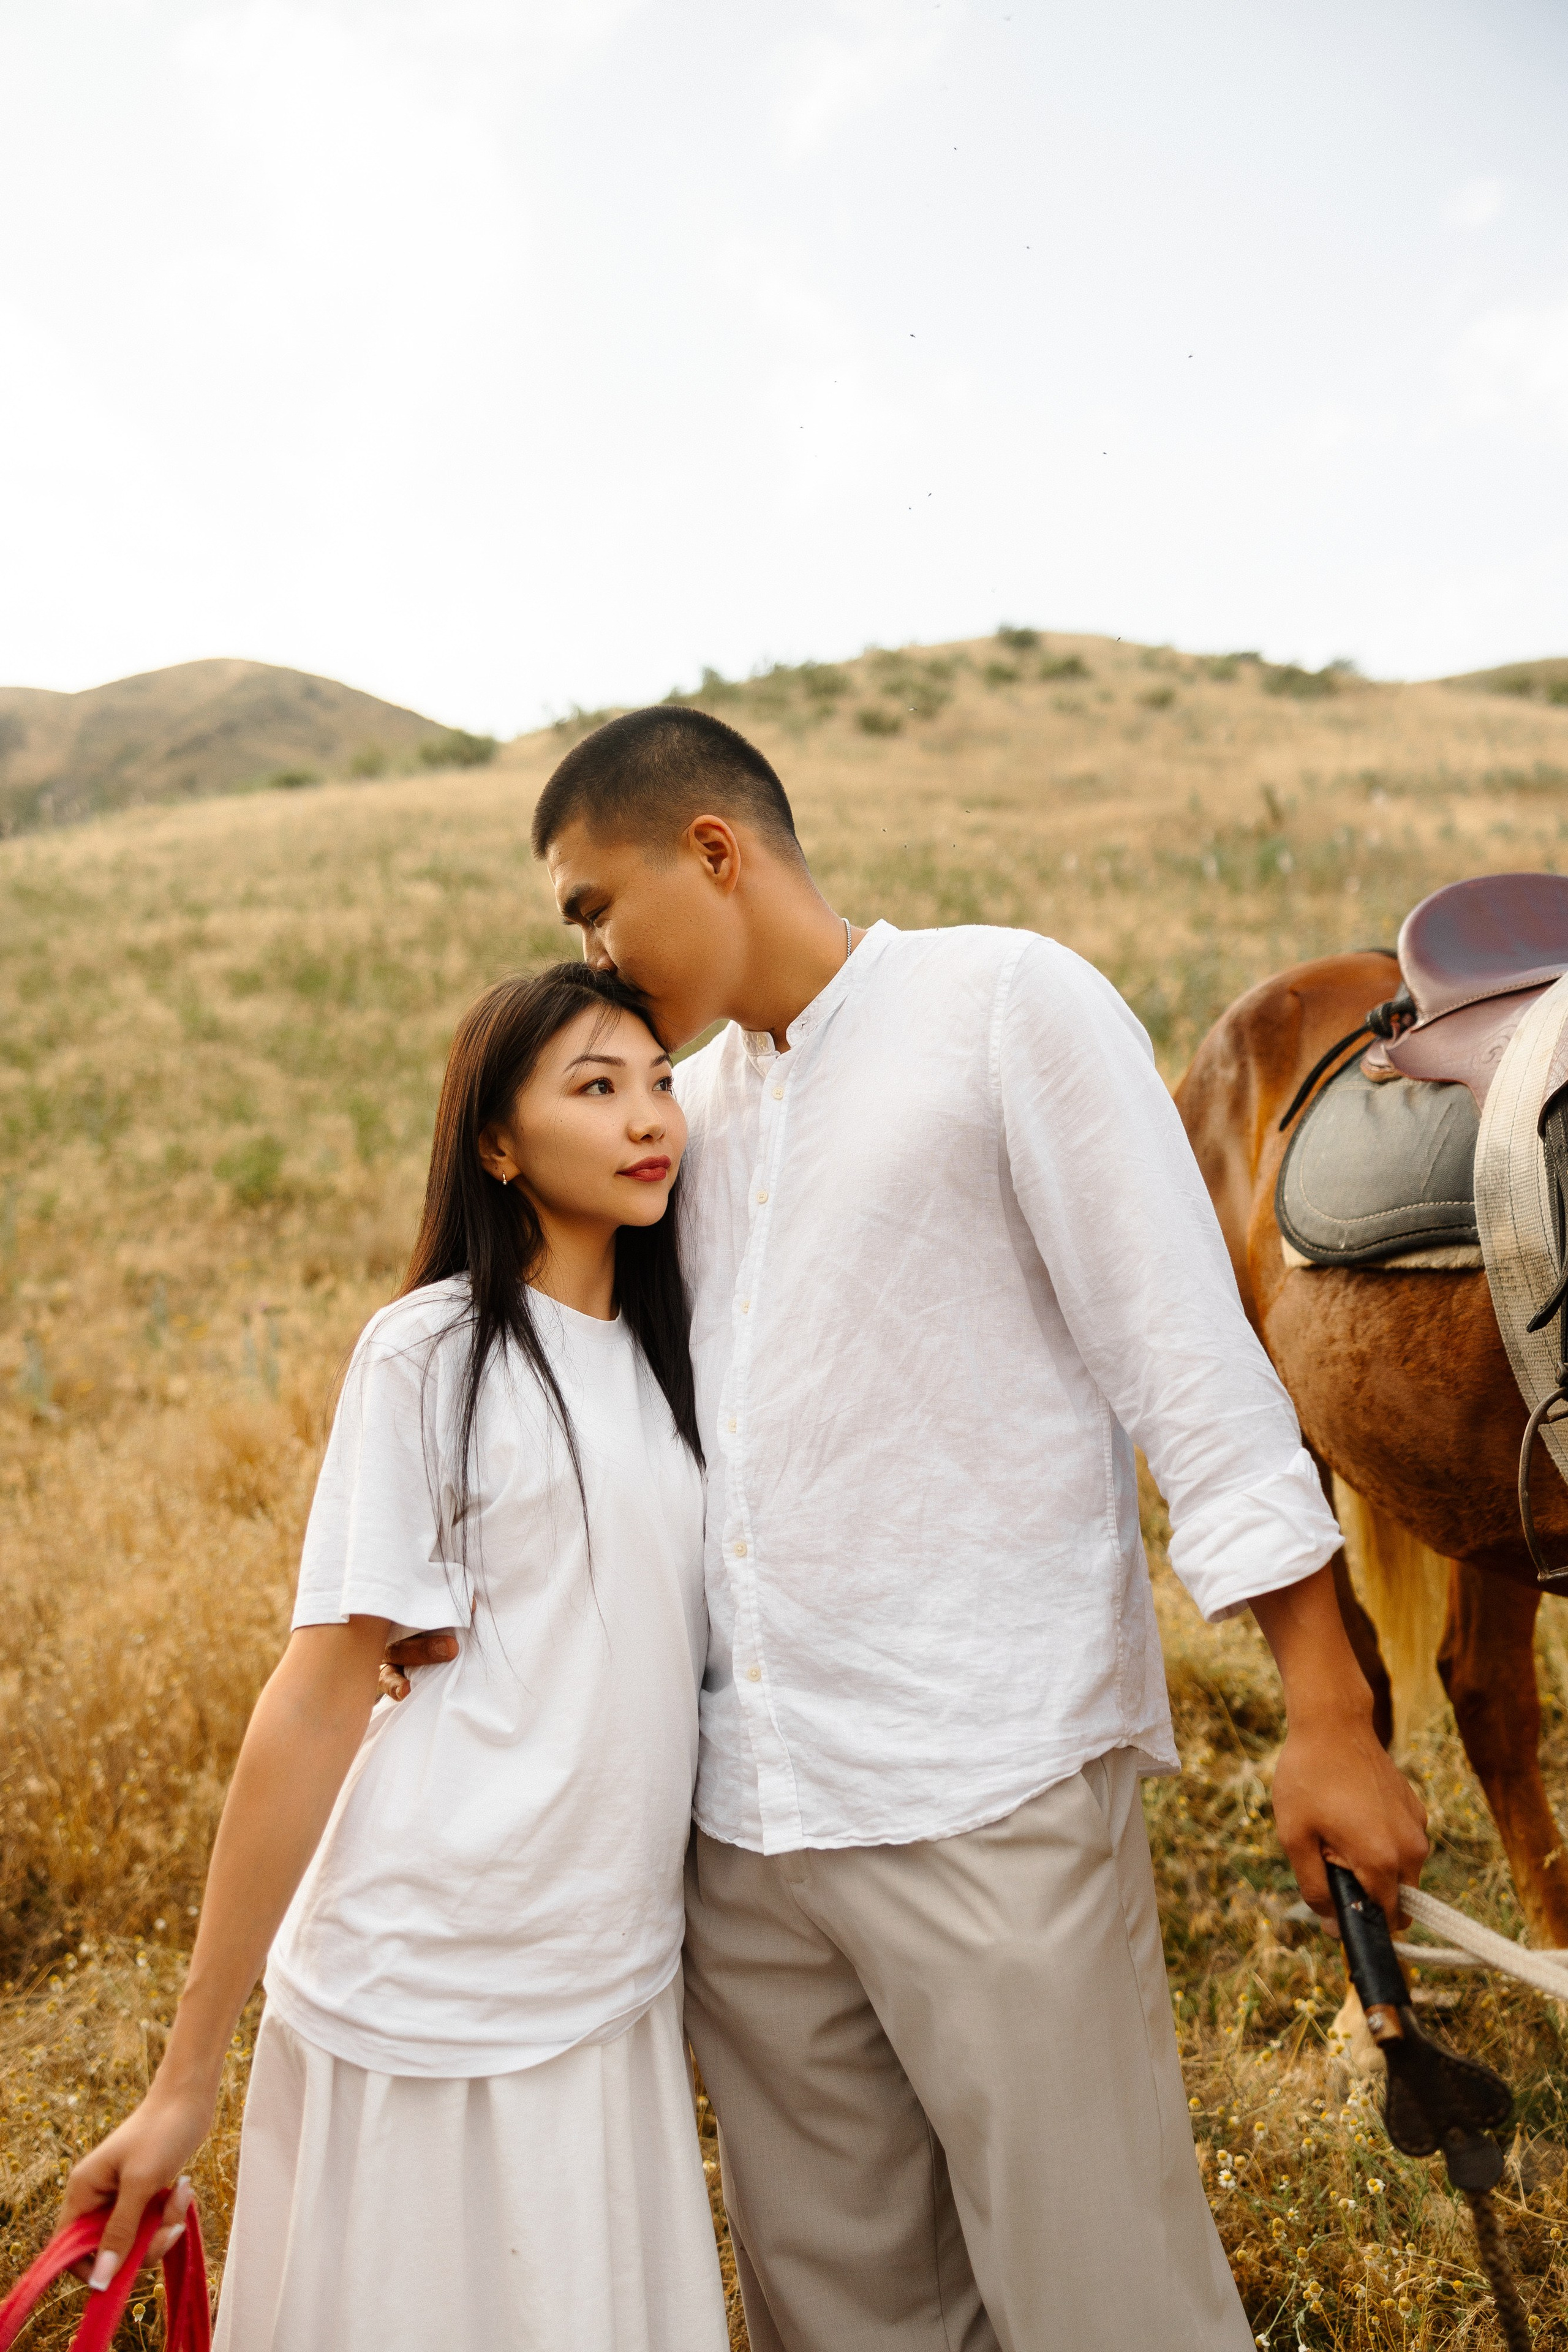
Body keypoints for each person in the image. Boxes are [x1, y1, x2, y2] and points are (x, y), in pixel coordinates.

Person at [509, 706, 1428, 2352]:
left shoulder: (1005, 1004)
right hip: (748, 1824)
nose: (588, 947)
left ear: (710, 850)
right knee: (844, 2310)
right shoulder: (681, 1117)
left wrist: (1330, 1709)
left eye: (593, 905)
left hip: (987, 1787)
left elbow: (1191, 1371)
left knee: (1104, 2303)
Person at [58, 963, 729, 2352]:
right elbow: (313, 1699)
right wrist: (188, 2076)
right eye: (593, 1088)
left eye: (659, 1080)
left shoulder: (676, 1351)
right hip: (429, 1962)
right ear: (497, 1140)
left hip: (607, 1971)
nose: (646, 1117)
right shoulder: (430, 1352)